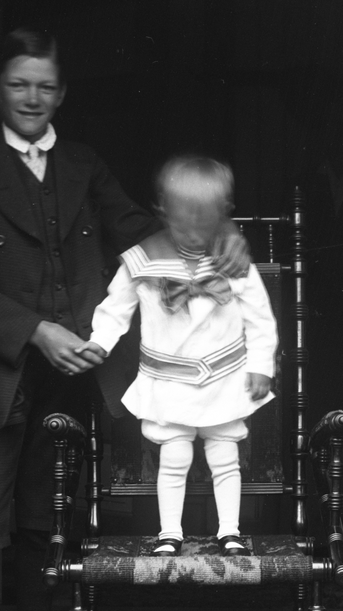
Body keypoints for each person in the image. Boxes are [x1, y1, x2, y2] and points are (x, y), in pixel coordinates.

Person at [0, 30, 248, 611]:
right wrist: (34, 330)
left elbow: (137, 231)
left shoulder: (83, 165)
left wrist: (215, 237)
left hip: (69, 378)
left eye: (45, 85)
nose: (32, 97)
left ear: (61, 93)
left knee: (43, 524)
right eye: (19, 84)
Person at [83, 156, 277, 558]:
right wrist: (100, 341)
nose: (193, 232)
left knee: (225, 454)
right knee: (174, 455)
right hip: (167, 377)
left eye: (204, 222)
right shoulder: (145, 259)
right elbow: (116, 306)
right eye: (182, 221)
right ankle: (170, 532)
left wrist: (261, 365)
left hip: (223, 374)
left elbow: (260, 317)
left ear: (223, 215)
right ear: (162, 211)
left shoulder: (231, 261)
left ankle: (229, 531)